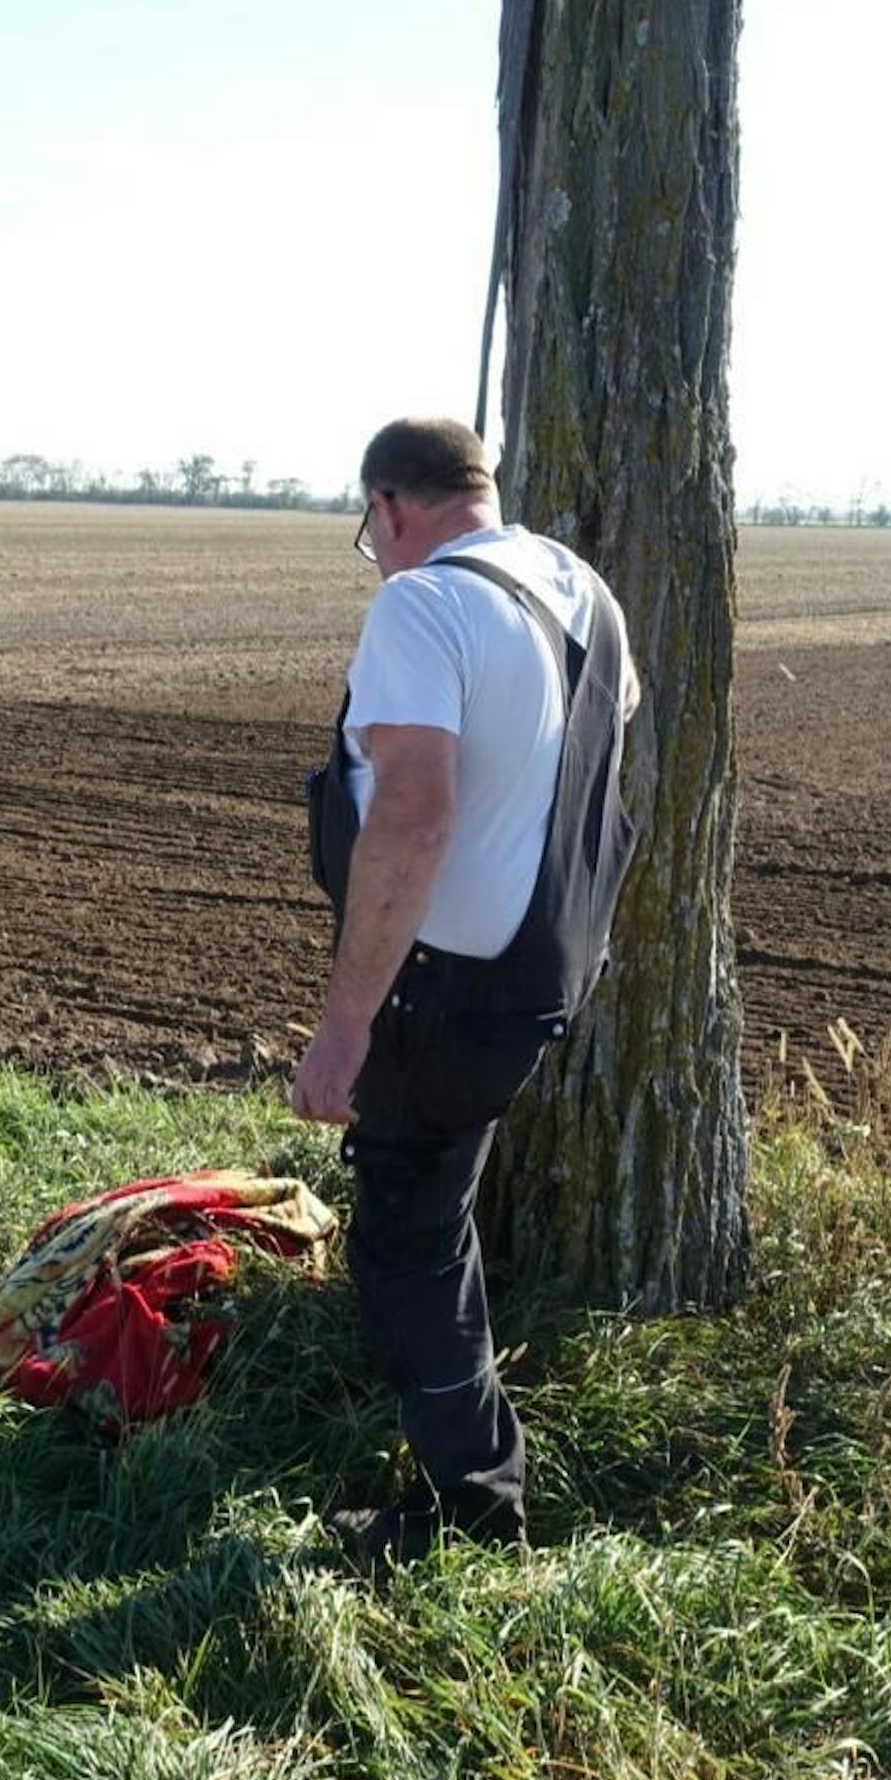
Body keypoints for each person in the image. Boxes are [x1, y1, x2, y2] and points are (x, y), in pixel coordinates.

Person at [290, 415, 641, 1565]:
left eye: (368, 530)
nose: (374, 552)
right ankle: (467, 1475)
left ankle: (472, 1509)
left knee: (404, 1236)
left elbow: (414, 812)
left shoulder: (421, 605)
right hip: (540, 966)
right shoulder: (578, 587)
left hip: (440, 990)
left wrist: (343, 1028)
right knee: (435, 1213)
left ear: (388, 506)